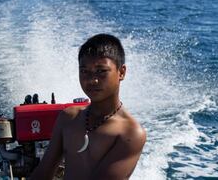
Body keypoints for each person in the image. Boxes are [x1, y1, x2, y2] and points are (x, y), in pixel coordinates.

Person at [31, 34, 146, 180]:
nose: (92, 80)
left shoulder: (130, 133)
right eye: (84, 71)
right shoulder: (68, 117)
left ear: (121, 72)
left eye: (101, 71)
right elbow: (42, 174)